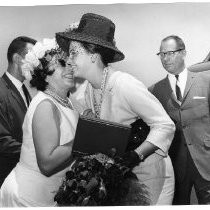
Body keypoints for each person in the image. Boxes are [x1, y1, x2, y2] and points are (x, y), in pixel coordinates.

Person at [56, 13, 176, 205]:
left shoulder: (124, 84)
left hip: (152, 172)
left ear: (93, 56)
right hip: (125, 178)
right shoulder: (86, 92)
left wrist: (135, 155)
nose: (69, 60)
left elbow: (165, 125)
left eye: (74, 53)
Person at [0, 38, 79, 206]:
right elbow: (47, 163)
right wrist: (85, 140)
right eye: (62, 64)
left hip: (49, 194)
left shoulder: (67, 101)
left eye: (70, 63)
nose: (70, 68)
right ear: (44, 74)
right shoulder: (45, 105)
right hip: (27, 196)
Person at [149, 35, 210, 204]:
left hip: (206, 162)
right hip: (176, 166)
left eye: (170, 53)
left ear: (183, 53)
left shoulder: (207, 81)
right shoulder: (155, 91)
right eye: (161, 54)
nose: (165, 58)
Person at [0, 36, 37, 187]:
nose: (36, 64)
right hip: (6, 177)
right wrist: (38, 153)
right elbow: (2, 141)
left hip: (22, 175)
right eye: (32, 58)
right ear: (16, 58)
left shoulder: (24, 89)